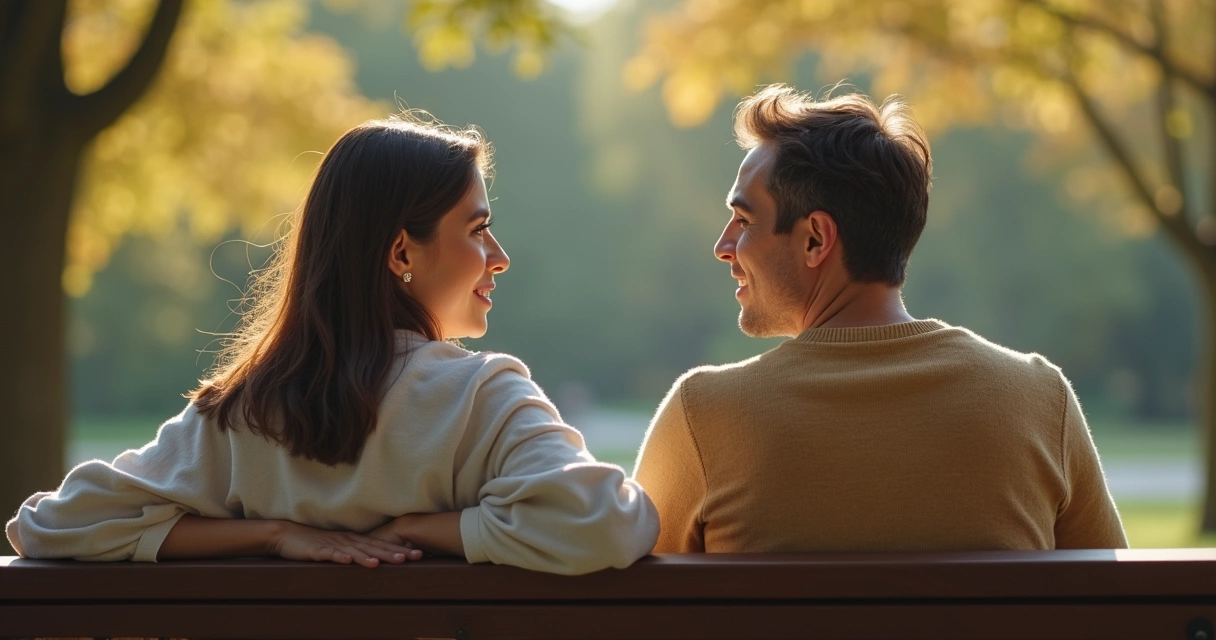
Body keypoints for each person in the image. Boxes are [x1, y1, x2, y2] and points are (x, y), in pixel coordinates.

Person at [7, 113, 659, 575]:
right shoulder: (482, 398)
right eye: (477, 229)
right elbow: (606, 524)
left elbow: (50, 526)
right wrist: (425, 531)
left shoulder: (246, 412)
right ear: (401, 252)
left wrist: (273, 535)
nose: (500, 255)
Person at [633, 84, 1127, 553]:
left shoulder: (705, 417)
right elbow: (1121, 597)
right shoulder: (1039, 401)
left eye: (744, 220)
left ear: (815, 239)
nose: (723, 247)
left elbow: (631, 597)